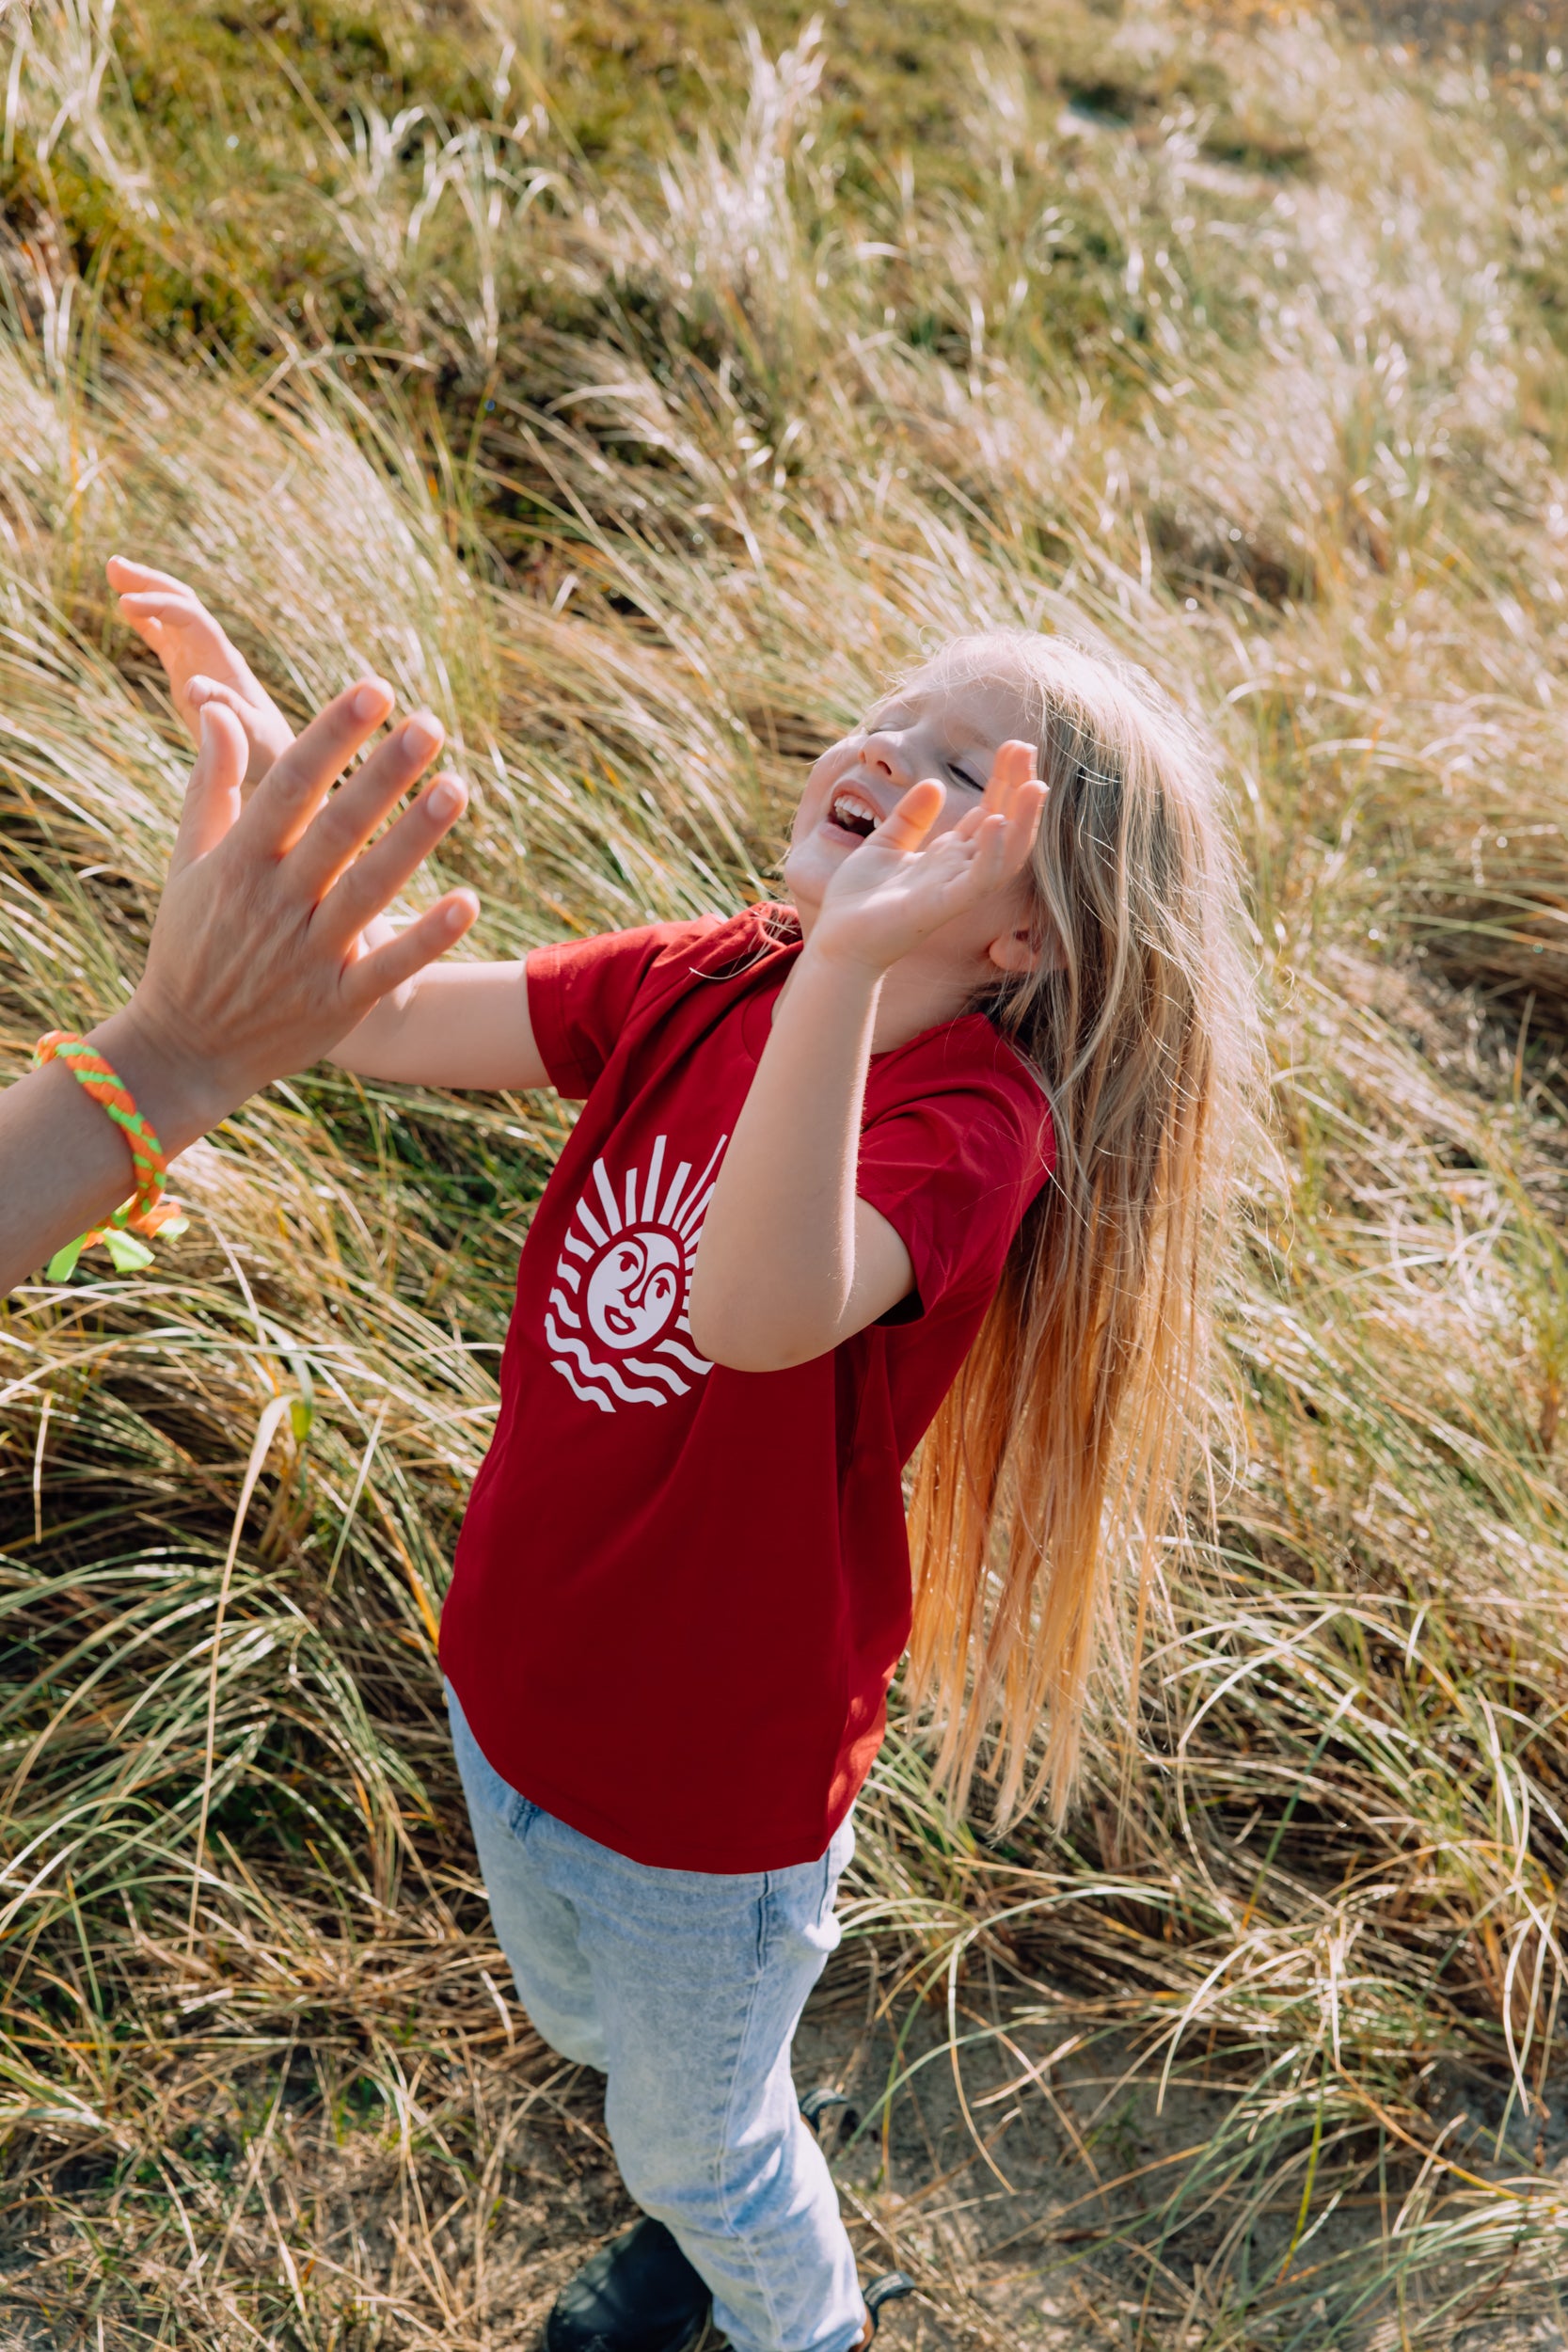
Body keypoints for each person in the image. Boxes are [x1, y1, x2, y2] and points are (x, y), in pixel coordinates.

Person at [114, 556, 1258, 2352]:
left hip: (706, 1789)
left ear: (1021, 938)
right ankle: (689, 2178)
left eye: (961, 765)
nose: (886, 745)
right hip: (518, 1671)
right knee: (594, 2029)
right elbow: (382, 1022)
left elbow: (753, 1309)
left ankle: (794, 2319)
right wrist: (276, 809)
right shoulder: (710, 974)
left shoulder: (970, 1126)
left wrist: (853, 966)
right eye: (891, 712)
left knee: (705, 2136)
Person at [0, 639, 478, 1295]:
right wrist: (284, 809)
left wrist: (174, 1046)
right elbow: (393, 1015)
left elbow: (387, 1015)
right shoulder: (660, 986)